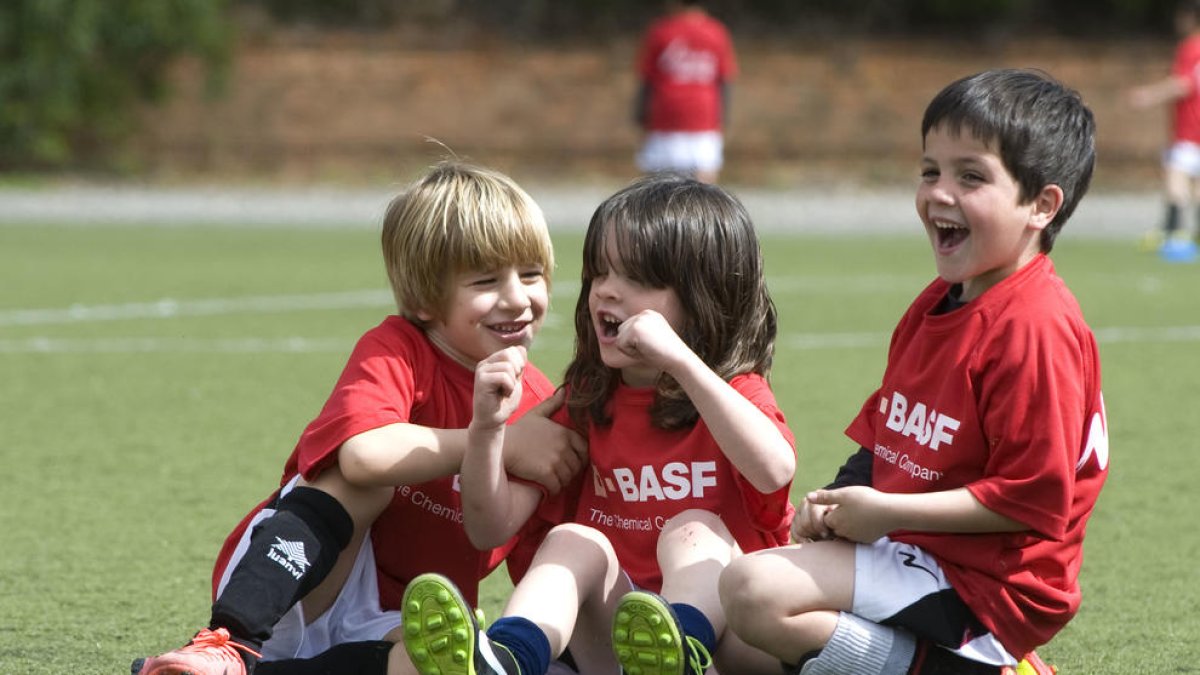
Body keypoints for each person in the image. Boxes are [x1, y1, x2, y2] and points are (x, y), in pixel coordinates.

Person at [718, 68, 1109, 675]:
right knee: (738, 644)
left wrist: (889, 513)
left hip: (990, 584)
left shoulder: (1036, 325)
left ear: (1041, 204)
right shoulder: (936, 301)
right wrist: (833, 503)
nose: (939, 193)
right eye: (931, 171)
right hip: (914, 551)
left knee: (754, 592)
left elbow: (1034, 499)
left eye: (971, 176)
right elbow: (889, 435)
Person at [131, 161, 587, 675]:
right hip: (303, 589)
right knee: (359, 482)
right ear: (422, 299)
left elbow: (514, 542)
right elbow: (364, 455)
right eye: (485, 280)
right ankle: (225, 646)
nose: (516, 298)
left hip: (401, 614)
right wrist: (496, 441)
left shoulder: (543, 406)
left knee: (442, 662)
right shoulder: (398, 348)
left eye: (531, 275)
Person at [400, 173, 796, 675]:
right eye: (599, 273)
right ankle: (504, 660)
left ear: (704, 300)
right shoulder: (586, 402)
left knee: (692, 528)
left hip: (730, 646)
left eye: (638, 279)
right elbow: (487, 528)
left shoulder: (733, 395)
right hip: (622, 648)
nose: (608, 291)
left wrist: (681, 361)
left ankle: (682, 652)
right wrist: (487, 429)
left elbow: (775, 471)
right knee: (572, 539)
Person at [634, 0, 738, 184]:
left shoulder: (661, 31)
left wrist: (640, 114)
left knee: (656, 188)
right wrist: (724, 117)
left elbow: (647, 80)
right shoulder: (716, 31)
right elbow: (725, 80)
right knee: (704, 185)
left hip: (664, 116)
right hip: (704, 115)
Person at [1129, 0, 1200, 260]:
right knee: (1195, 187)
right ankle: (1187, 236)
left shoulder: (1191, 47)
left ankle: (1175, 236)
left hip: (1190, 130)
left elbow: (1183, 83)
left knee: (1176, 181)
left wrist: (1148, 96)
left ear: (1190, 17)